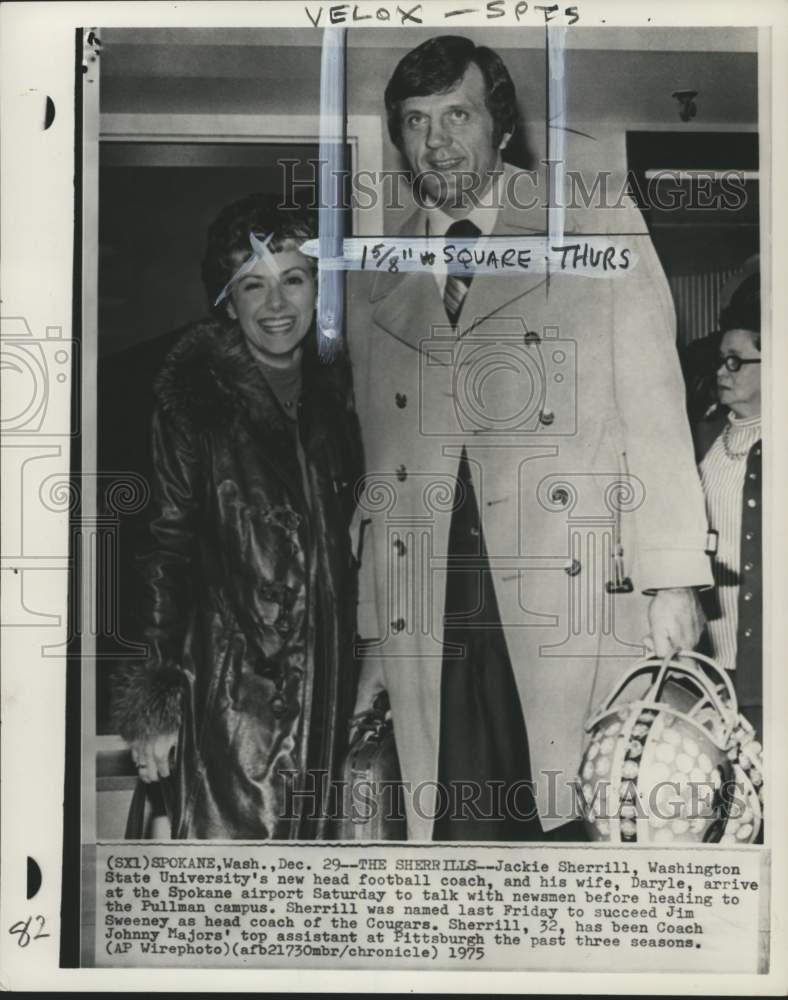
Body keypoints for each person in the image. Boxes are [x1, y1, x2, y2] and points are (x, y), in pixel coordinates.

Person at [347, 35, 712, 841]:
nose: (437, 140)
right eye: (416, 120)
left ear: (500, 127)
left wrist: (673, 579)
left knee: (583, 826)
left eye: (457, 115)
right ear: (399, 139)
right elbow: (381, 469)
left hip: (566, 589)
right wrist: (375, 631)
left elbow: (654, 413)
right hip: (436, 607)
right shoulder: (377, 270)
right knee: (457, 838)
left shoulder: (593, 216)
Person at [112, 195, 362, 839]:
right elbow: (164, 553)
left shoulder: (345, 403)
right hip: (225, 703)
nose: (276, 305)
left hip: (330, 701)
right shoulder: (194, 403)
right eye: (253, 285)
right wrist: (158, 705)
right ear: (227, 300)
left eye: (293, 279)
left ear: (320, 289)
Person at [696, 274, 762, 741]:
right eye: (721, 362)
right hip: (711, 660)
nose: (722, 372)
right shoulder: (702, 438)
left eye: (736, 362)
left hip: (766, 658)